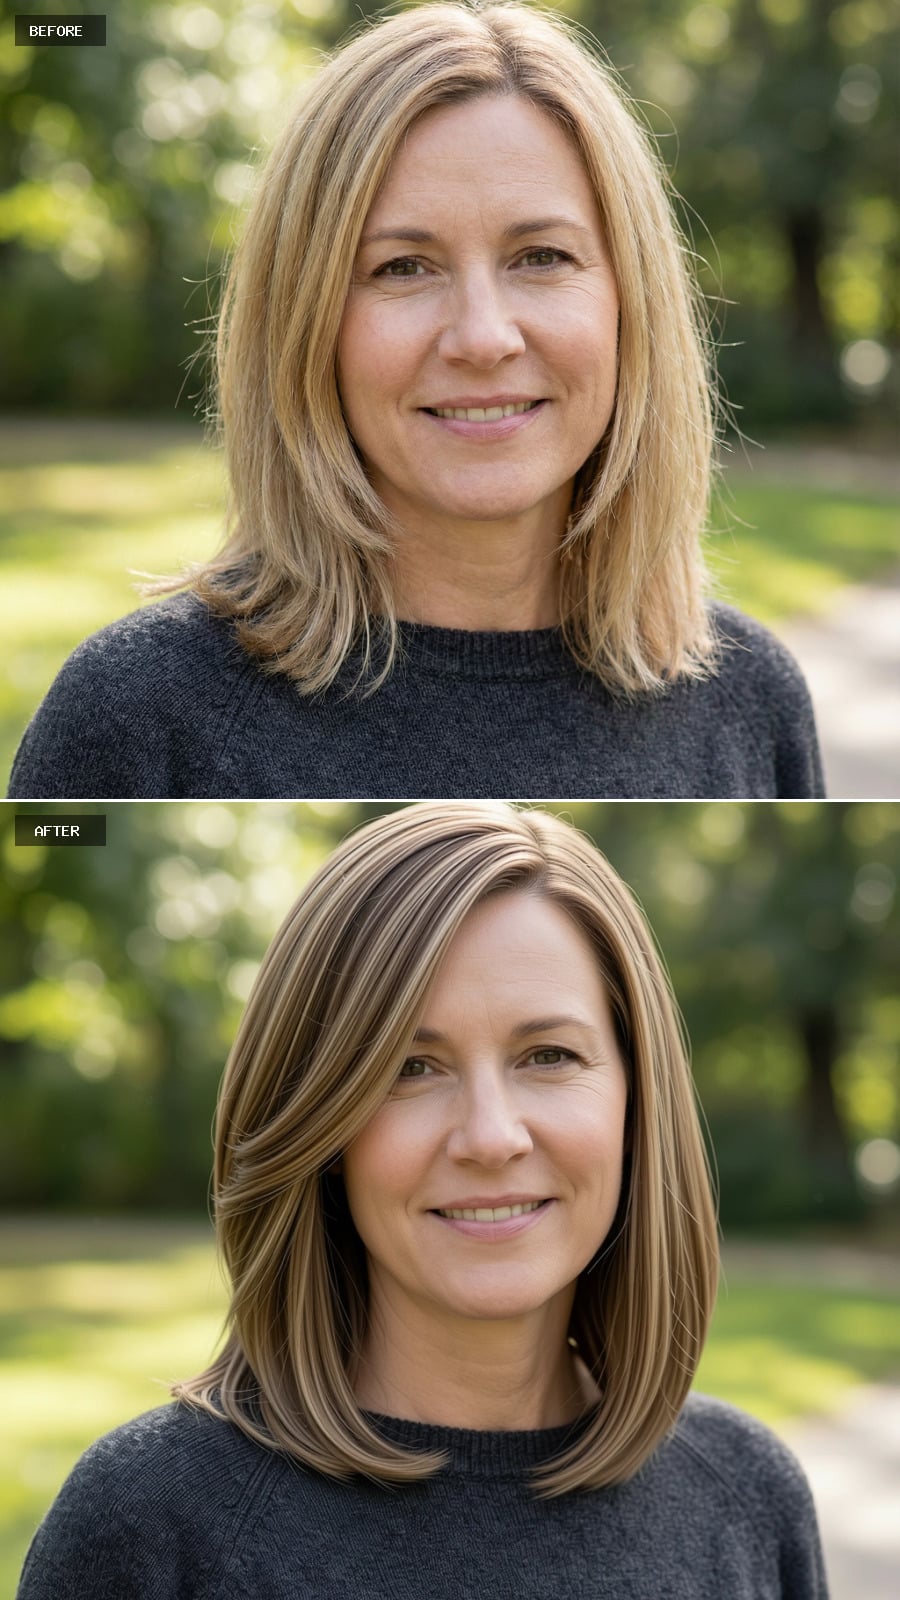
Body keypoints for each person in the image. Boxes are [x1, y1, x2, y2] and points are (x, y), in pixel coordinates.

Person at [9, 2, 822, 800]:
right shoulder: (138, 717)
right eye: (403, 267)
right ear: (305, 322)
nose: (482, 336)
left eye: (540, 256)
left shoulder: (752, 703)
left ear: (629, 302)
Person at [17, 803, 829, 1598]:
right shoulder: (151, 1526)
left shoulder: (747, 1499)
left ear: (635, 1098)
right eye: (410, 1067)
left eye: (548, 1055)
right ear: (320, 1124)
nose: (490, 1136)